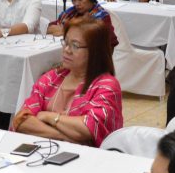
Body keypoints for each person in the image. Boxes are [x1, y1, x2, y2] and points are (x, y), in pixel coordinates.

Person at [14, 18, 122, 146]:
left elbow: (89, 128)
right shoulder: (51, 78)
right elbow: (21, 120)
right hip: (45, 150)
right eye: (65, 42)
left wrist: (49, 117)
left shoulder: (106, 85)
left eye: (75, 45)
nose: (66, 50)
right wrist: (65, 137)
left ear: (95, 51)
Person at [48, 0, 116, 47]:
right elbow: (50, 28)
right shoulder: (70, 13)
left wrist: (65, 31)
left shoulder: (102, 18)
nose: (76, 4)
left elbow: (107, 44)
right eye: (73, 0)